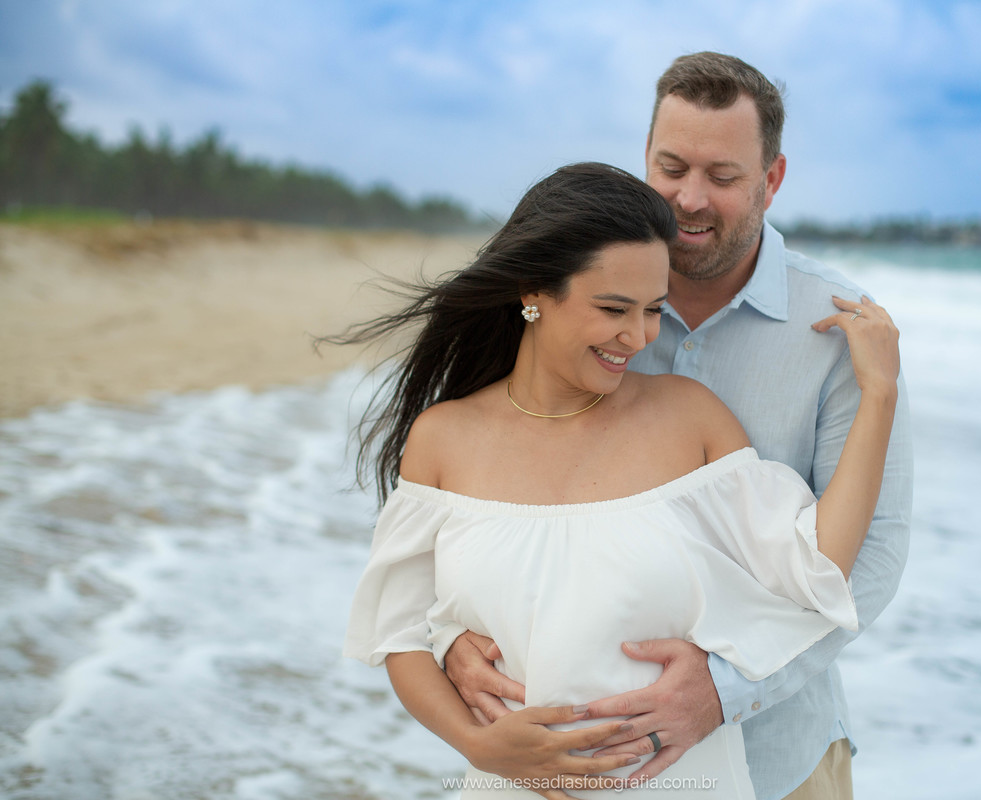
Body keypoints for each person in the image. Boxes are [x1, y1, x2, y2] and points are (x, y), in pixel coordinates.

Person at [340, 162, 901, 798]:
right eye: (613, 308)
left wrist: (878, 393)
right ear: (533, 293)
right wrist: (476, 745)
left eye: (654, 310)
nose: (636, 337)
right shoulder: (442, 439)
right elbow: (400, 633)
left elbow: (820, 566)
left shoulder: (687, 417)